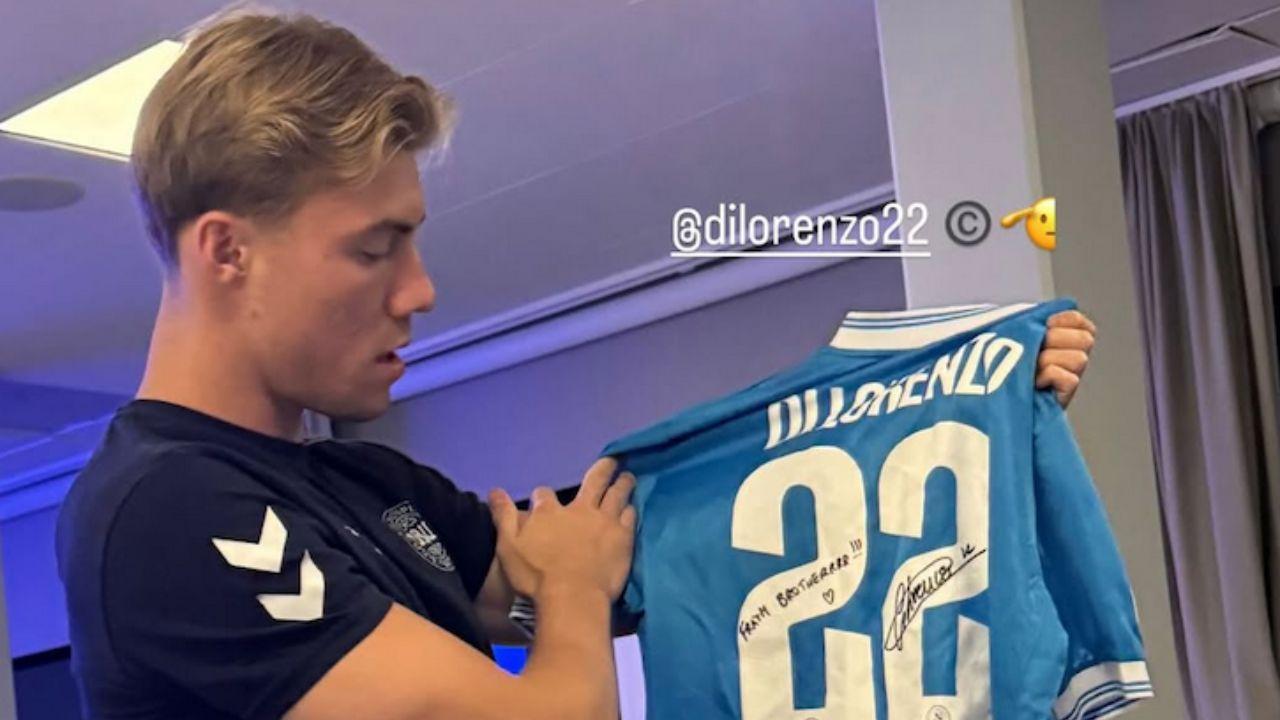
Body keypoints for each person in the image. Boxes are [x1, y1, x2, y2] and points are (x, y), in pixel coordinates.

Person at [53, 10, 1099, 720]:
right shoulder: (170, 510)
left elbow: (631, 548)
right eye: (373, 250)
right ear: (226, 252)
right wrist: (568, 592)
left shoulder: (363, 485)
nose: (418, 290)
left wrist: (938, 402)